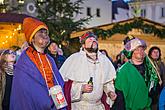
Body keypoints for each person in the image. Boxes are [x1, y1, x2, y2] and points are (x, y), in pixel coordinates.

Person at [10, 17, 67, 110]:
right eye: (41, 33)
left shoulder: (50, 59)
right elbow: (25, 90)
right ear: (32, 39)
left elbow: (59, 82)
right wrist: (46, 101)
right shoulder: (24, 61)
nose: (45, 35)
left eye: (46, 33)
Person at [60, 31, 116, 110]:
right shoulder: (74, 59)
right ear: (83, 45)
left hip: (98, 106)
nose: (93, 41)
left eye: (95, 40)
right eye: (90, 40)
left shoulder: (104, 60)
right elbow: (65, 85)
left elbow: (107, 83)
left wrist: (110, 92)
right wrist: (81, 88)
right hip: (79, 106)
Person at [113, 37, 159, 109]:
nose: (140, 51)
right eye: (137, 49)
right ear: (131, 52)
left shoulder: (150, 69)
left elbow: (154, 91)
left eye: (142, 49)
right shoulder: (123, 71)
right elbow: (119, 95)